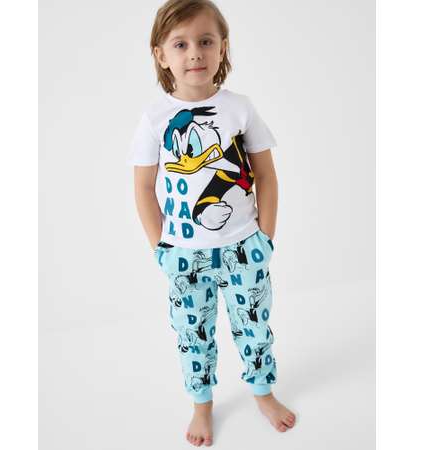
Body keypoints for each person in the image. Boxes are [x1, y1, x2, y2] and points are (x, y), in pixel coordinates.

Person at [126, 0, 296, 445]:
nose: (195, 53)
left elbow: (266, 175)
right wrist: (160, 246)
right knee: (192, 333)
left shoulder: (240, 108)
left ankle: (262, 392)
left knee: (254, 326)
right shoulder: (155, 118)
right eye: (180, 44)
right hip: (183, 254)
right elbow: (143, 187)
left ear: (223, 48)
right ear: (161, 55)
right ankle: (202, 403)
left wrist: (266, 236)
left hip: (244, 248)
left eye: (205, 41)